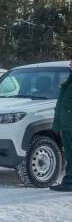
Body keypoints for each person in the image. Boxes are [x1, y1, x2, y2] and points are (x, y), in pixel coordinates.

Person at [51, 55, 72, 192]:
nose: (70, 63)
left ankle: (70, 182)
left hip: (70, 123)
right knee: (69, 153)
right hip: (66, 123)